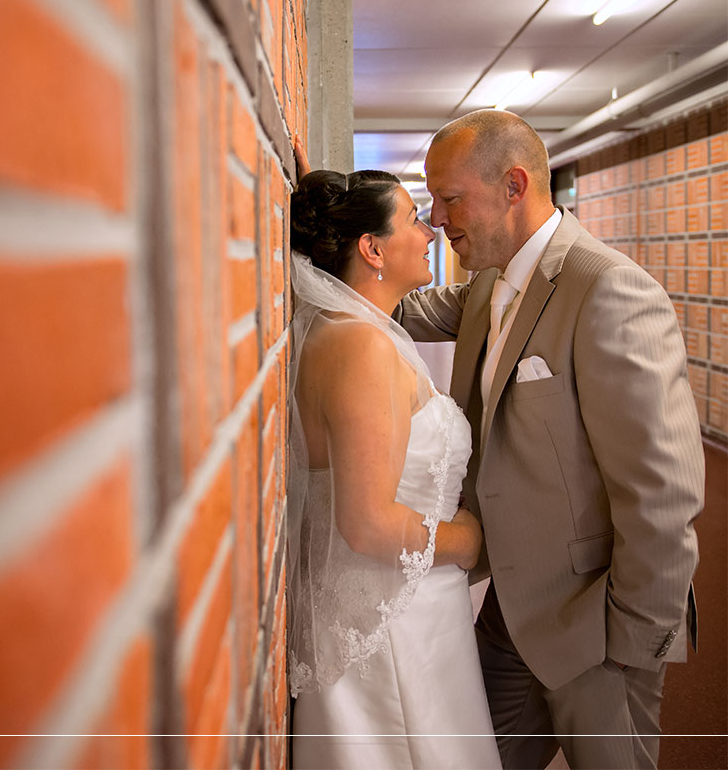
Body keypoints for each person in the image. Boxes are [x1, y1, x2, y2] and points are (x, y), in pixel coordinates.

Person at [396, 109, 703, 769]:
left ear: (514, 185)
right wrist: (323, 224)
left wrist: (634, 642)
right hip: (510, 613)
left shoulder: (610, 290)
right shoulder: (485, 284)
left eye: (450, 200)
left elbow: (664, 491)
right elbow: (391, 300)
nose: (438, 219)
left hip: (598, 628)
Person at [286, 164, 502, 769]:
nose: (431, 230)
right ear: (372, 248)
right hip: (395, 627)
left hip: (408, 606)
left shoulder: (356, 329)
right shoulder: (361, 347)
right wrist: (467, 540)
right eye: (413, 217)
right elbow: (368, 523)